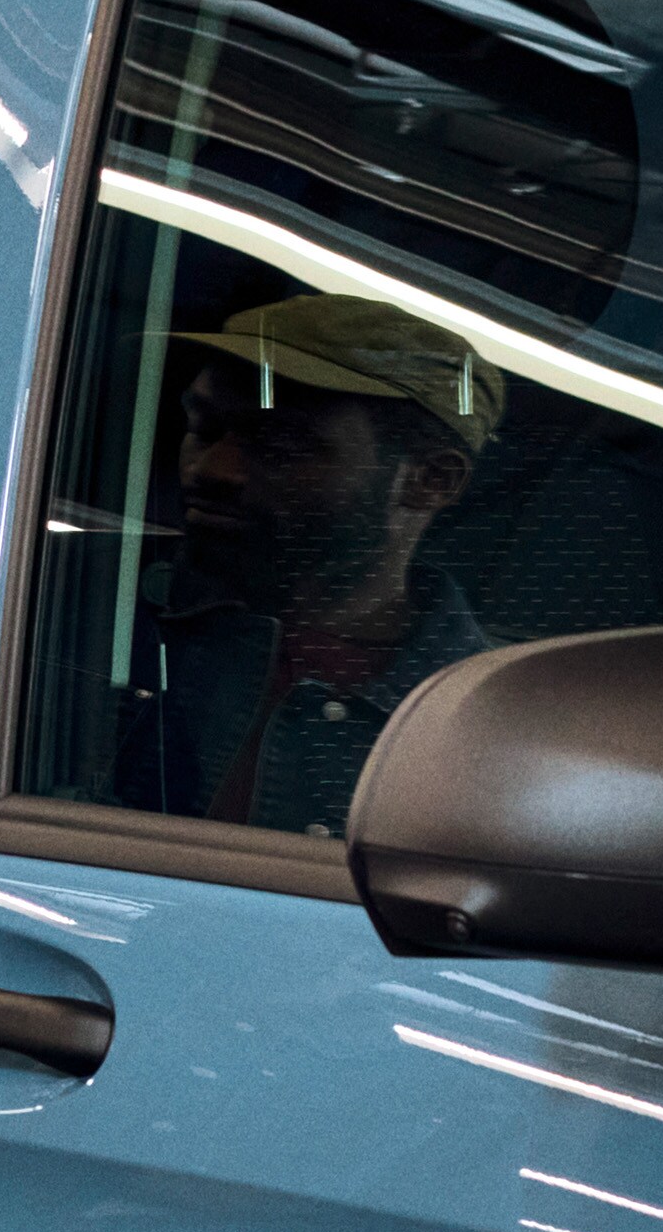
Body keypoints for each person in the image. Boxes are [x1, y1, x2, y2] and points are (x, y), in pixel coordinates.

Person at [116, 290, 507, 838]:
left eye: (281, 445)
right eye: (203, 429)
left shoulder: (497, 727)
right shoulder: (94, 617)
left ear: (431, 480)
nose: (211, 468)